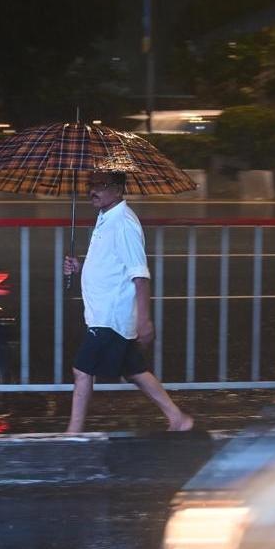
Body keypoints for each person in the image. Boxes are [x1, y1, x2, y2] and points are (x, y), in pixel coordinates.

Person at [61, 170, 194, 434]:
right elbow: (111, 263)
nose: (93, 190)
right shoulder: (106, 218)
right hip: (106, 313)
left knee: (82, 371)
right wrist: (80, 267)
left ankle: (72, 434)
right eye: (91, 185)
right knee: (134, 370)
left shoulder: (123, 222)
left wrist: (144, 321)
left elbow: (140, 275)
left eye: (101, 185)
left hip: (111, 316)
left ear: (118, 189)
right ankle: (178, 419)